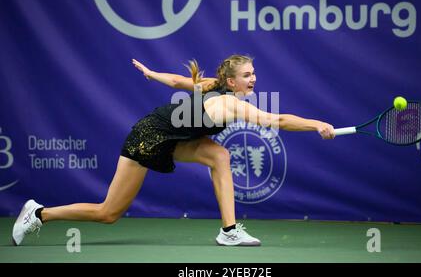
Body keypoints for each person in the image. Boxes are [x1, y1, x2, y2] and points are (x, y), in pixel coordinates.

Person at [12, 54, 335, 247]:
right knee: (108, 213)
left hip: (173, 136)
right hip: (149, 137)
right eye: (247, 75)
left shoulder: (215, 86)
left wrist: (154, 74)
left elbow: (181, 81)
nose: (253, 79)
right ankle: (39, 213)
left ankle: (229, 231)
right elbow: (275, 119)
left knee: (219, 155)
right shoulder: (229, 103)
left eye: (253, 73)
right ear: (232, 82)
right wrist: (316, 124)